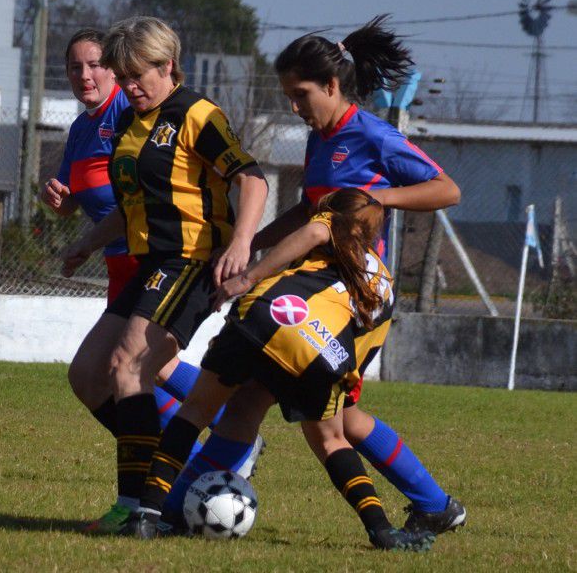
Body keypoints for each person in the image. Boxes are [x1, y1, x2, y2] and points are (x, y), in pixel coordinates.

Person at [162, 15, 466, 537]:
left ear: (331, 85)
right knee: (264, 402)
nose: (295, 108)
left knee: (325, 421)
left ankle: (431, 504)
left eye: (302, 95)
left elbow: (447, 190)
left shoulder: (372, 135)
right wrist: (249, 241)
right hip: (313, 289)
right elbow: (309, 212)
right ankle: (175, 506)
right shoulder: (321, 139)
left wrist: (377, 198)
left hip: (351, 298)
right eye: (288, 97)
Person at [124, 188, 435, 551]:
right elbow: (364, 351)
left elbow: (317, 231)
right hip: (324, 352)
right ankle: (381, 530)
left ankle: (147, 514)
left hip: (263, 315)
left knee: (194, 412)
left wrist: (244, 279)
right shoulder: (385, 284)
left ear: (334, 214)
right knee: (332, 441)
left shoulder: (327, 227)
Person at [60, 16, 269, 534]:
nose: (130, 87)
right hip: (152, 262)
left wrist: (240, 243)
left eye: (138, 76)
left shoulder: (197, 113)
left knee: (128, 367)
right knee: (87, 377)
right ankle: (161, 477)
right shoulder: (132, 124)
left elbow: (253, 180)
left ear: (168, 65)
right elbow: (131, 206)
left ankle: (140, 507)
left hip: (192, 260)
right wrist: (87, 241)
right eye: (123, 77)